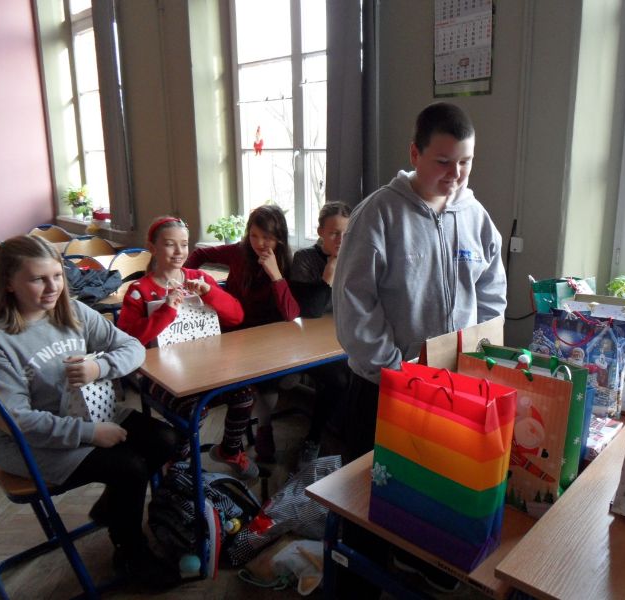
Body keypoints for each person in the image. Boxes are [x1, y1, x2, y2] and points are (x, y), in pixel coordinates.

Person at [332, 102, 507, 596]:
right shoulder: (378, 214)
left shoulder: (474, 216)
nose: (456, 174)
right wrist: (394, 370)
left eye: (465, 162)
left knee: (431, 493)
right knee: (367, 502)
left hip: (451, 389)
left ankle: (418, 564)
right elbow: (354, 305)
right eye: (443, 161)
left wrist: (477, 357)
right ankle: (358, 583)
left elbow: (492, 294)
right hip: (384, 388)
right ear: (415, 154)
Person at [0, 235, 180, 589]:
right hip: (26, 443)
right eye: (38, 279)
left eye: (57, 276)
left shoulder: (73, 311)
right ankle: (130, 551)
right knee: (129, 467)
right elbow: (17, 421)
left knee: (166, 439)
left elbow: (132, 347)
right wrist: (90, 434)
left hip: (87, 412)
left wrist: (100, 367)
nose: (53, 288)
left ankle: (112, 509)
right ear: (8, 283)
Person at [116, 216, 258, 479]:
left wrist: (209, 292)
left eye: (184, 244)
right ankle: (177, 460)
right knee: (195, 410)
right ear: (152, 247)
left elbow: (236, 316)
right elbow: (127, 340)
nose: (179, 251)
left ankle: (229, 450)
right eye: (170, 244)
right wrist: (166, 311)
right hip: (161, 377)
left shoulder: (200, 278)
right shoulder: (139, 290)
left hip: (207, 367)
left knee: (244, 396)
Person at [185, 205, 300, 462]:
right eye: (254, 235)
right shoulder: (239, 252)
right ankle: (239, 434)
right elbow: (200, 253)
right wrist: (186, 279)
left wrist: (275, 275)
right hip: (235, 331)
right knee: (245, 382)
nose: (259, 243)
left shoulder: (285, 261)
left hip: (268, 337)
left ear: (279, 237)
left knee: (269, 380)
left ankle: (264, 427)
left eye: (267, 237)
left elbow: (291, 313)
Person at [289, 202, 352, 468]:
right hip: (304, 341)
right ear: (320, 232)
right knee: (338, 379)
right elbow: (310, 311)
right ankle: (313, 438)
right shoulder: (304, 259)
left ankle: (348, 434)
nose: (341, 240)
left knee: (364, 372)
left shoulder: (354, 257)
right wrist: (328, 276)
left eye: (346, 234)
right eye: (334, 233)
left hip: (338, 336)